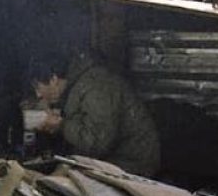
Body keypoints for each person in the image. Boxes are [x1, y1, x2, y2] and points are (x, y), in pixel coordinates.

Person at [29, 50, 161, 177]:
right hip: (113, 158)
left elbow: (97, 143)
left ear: (53, 79)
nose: (38, 94)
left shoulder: (96, 88)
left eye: (38, 87)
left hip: (131, 162)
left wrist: (62, 126)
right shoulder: (78, 84)